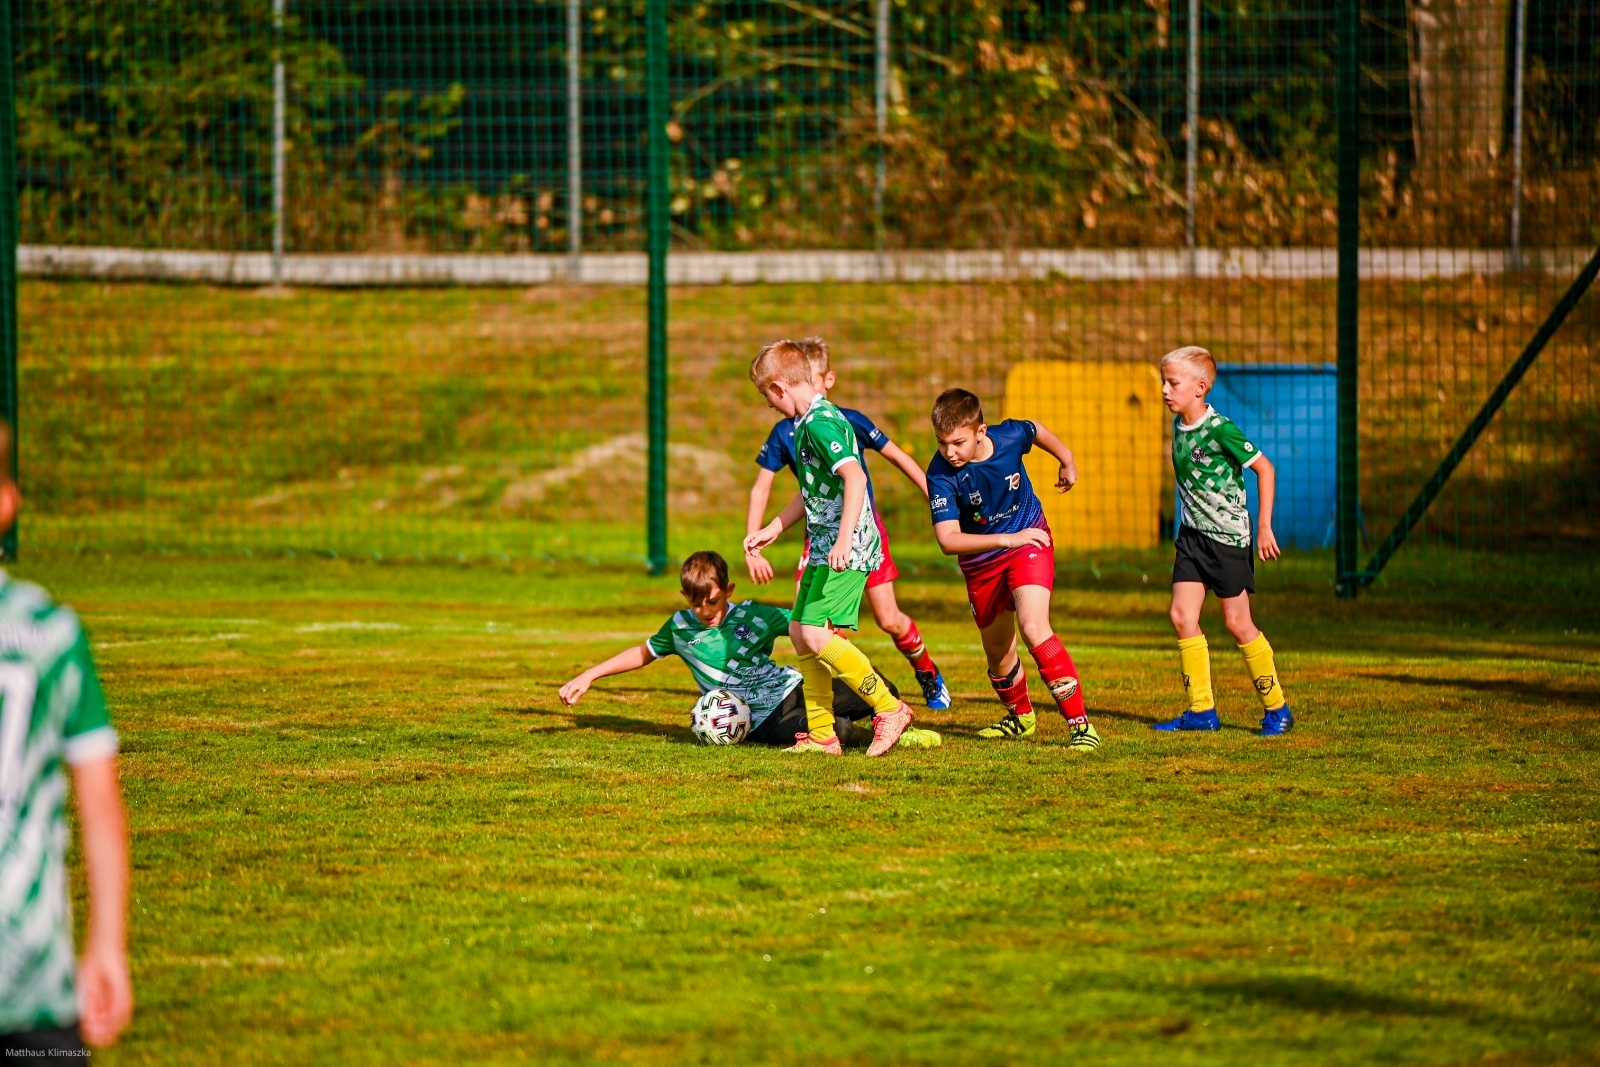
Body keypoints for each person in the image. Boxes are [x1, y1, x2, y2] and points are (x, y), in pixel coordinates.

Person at [0, 424, 133, 1056]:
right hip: (32, 980)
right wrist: (107, 943)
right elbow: (99, 801)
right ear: (7, 503)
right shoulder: (50, 631)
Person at [744, 338, 952, 711]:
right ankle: (829, 725)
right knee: (806, 630)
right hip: (823, 538)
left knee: (878, 621)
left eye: (767, 397)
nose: (769, 406)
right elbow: (806, 491)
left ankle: (897, 696)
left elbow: (863, 474)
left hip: (850, 539)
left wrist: (937, 501)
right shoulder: (794, 428)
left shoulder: (828, 422)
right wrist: (771, 529)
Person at [558, 552, 939, 749]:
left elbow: (801, 622)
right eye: (696, 604)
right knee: (837, 731)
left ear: (728, 590)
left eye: (711, 601)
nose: (704, 611)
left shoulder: (754, 615)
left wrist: (825, 626)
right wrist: (589, 675)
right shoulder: (679, 628)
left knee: (882, 687)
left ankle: (890, 720)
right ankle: (882, 737)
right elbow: (642, 653)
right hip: (758, 718)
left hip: (794, 688)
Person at [925, 389, 1101, 752]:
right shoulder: (940, 473)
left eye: (958, 442)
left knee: (1035, 628)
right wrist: (1007, 539)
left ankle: (1080, 725)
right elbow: (948, 539)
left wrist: (1066, 459)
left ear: (981, 432)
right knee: (998, 651)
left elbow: (1034, 430)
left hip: (1030, 540)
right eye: (942, 443)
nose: (950, 452)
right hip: (983, 562)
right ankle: (1020, 717)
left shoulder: (1008, 437)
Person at [1153, 346, 1293, 735]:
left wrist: (1264, 527)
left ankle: (1277, 708)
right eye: (1163, 381)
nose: (1164, 389)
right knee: (1182, 616)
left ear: (1200, 388)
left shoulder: (1220, 430)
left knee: (1237, 622)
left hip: (1228, 540)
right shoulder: (1178, 426)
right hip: (1192, 538)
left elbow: (1265, 469)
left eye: (1173, 382)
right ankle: (1201, 712)